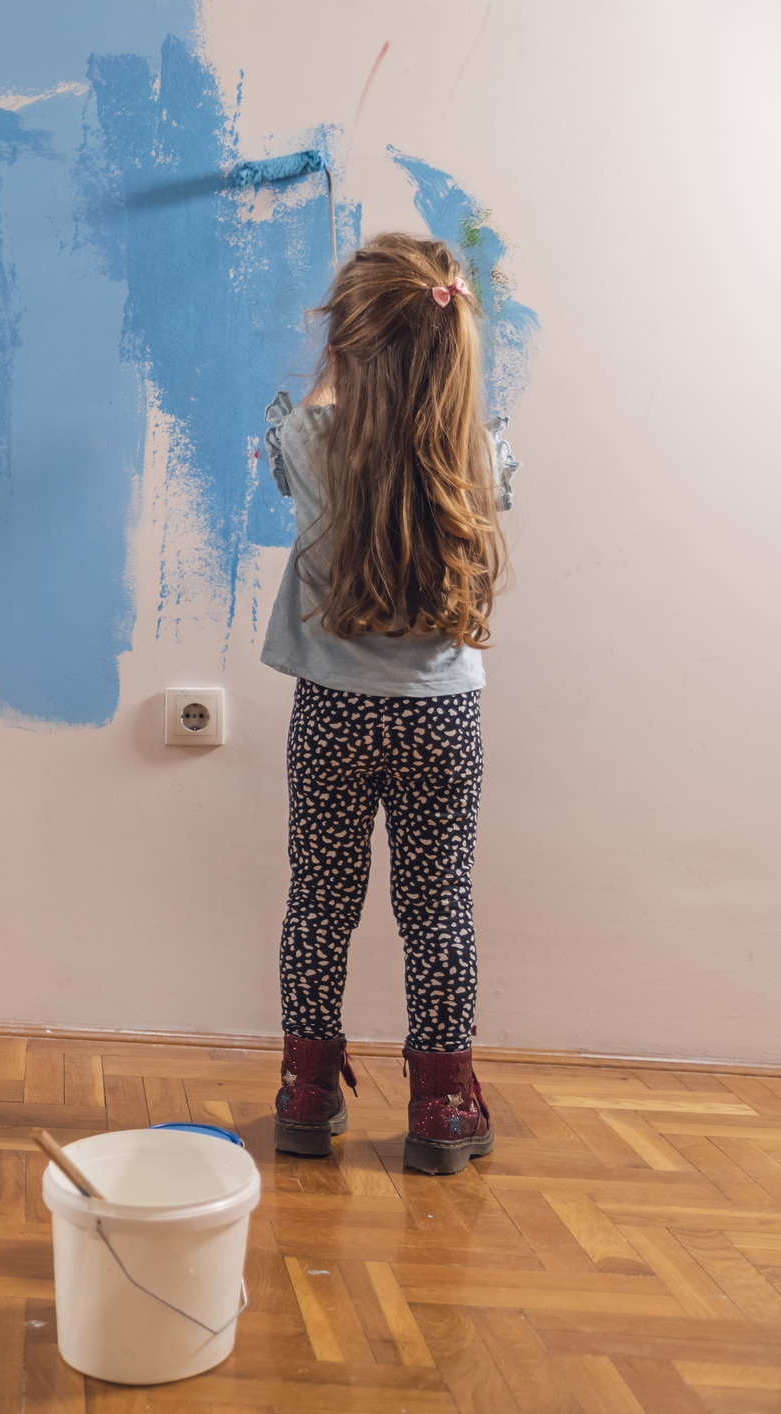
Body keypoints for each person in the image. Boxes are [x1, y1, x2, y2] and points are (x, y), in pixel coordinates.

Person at [259, 233, 521, 1174]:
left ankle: (306, 1090)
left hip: (332, 712)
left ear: (346, 345)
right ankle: (443, 1108)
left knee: (319, 903)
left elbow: (298, 436)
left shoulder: (311, 441)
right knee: (437, 907)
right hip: (440, 719)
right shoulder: (479, 460)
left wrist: (334, 369)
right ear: (453, 350)